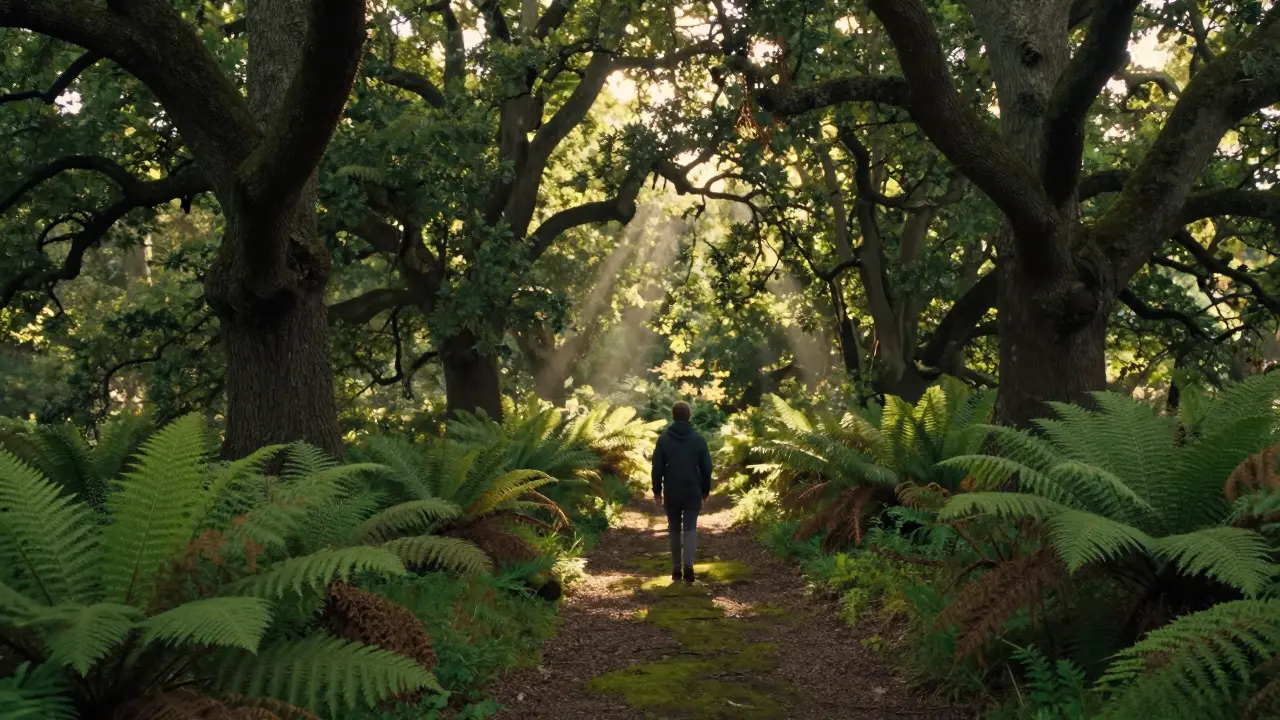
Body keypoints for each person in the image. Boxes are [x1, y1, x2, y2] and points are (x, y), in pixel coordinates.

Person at [651, 401, 712, 584]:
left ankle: (676, 569)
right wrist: (705, 490)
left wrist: (657, 490)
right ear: (689, 416)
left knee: (674, 529)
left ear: (673, 416)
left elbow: (657, 467)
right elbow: (707, 467)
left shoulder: (663, 439)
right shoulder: (699, 439)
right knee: (691, 529)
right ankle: (689, 566)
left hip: (672, 489)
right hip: (692, 489)